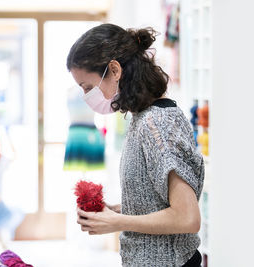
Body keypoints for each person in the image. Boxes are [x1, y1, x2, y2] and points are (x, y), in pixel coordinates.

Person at [67, 23, 204, 267]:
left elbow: (187, 217)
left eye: (88, 87)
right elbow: (158, 202)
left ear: (115, 69)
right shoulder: (142, 117)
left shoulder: (158, 122)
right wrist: (119, 210)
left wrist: (117, 222)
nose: (87, 95)